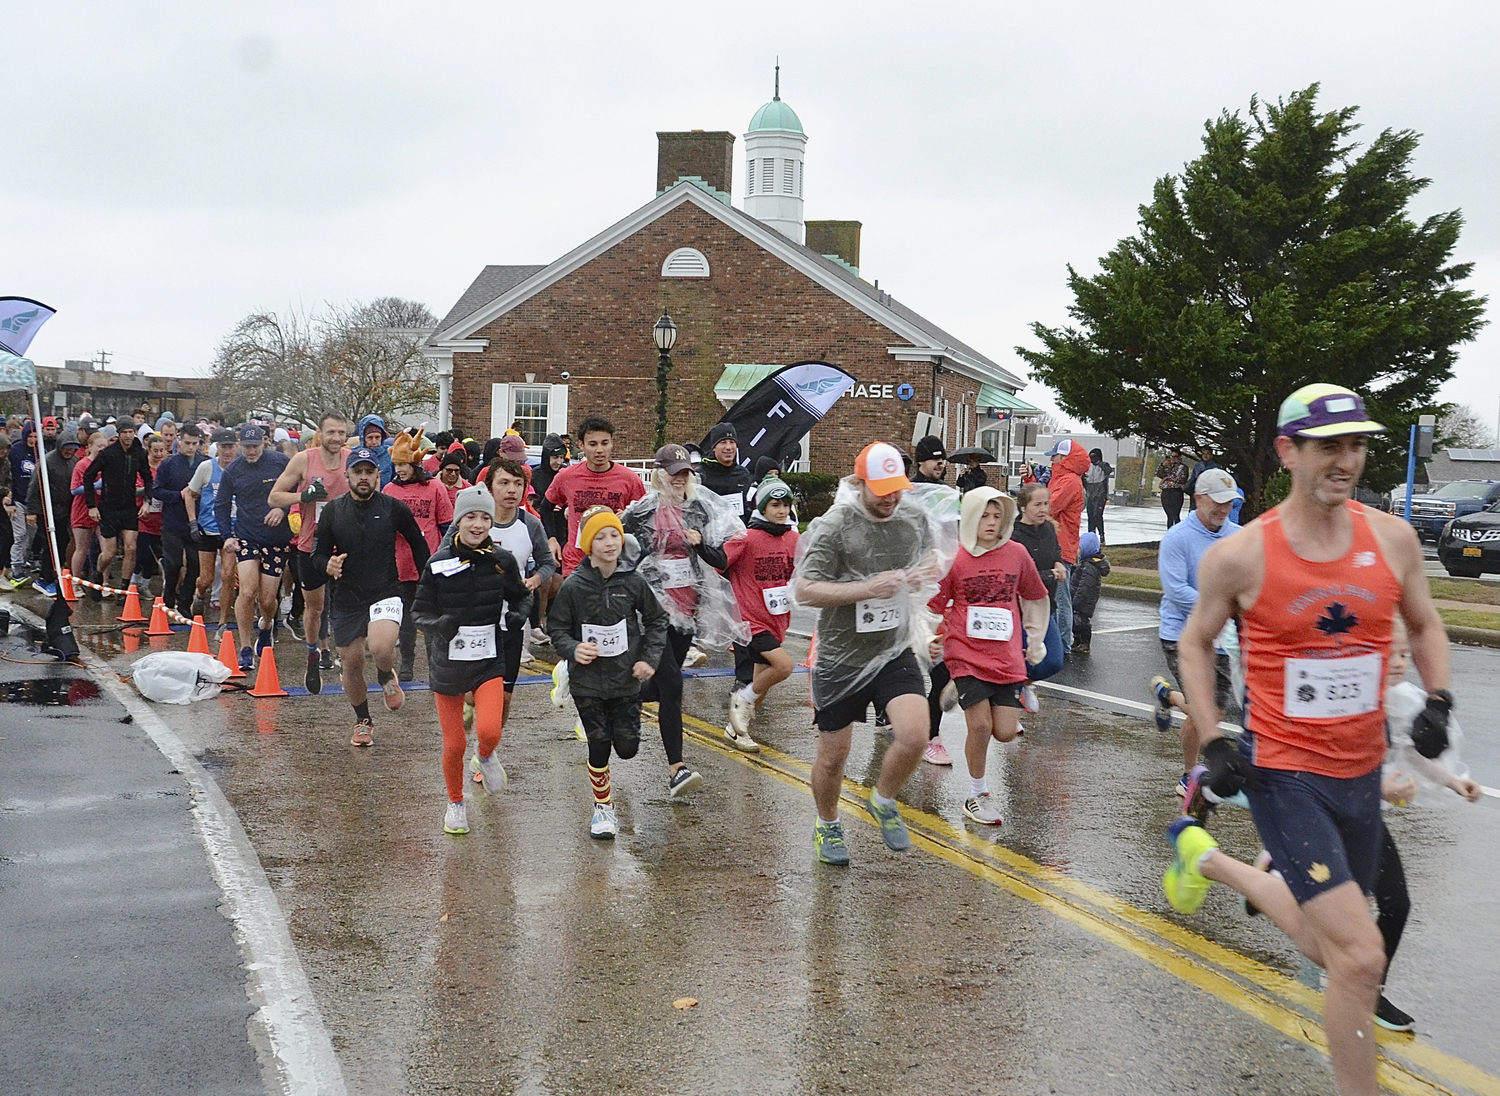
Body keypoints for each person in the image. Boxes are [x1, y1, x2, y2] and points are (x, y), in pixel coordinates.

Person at [1162, 384, 1451, 1096]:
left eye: (1356, 444)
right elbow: (1196, 645)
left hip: (1360, 776)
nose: (1346, 460)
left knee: (1334, 948)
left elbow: (1426, 624)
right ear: (1289, 451)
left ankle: (1210, 863)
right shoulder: (1242, 555)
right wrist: (1214, 737)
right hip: (1287, 776)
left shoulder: (1392, 539)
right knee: (1358, 958)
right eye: (1330, 446)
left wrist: (1439, 701)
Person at [793, 441, 945, 866]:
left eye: (896, 487)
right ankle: (827, 824)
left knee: (916, 734)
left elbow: (932, 555)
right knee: (834, 757)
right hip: (841, 657)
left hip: (892, 650)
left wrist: (921, 573)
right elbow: (804, 591)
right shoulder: (835, 526)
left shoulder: (913, 517)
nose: (891, 498)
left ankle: (883, 798)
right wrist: (868, 588)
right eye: (881, 490)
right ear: (860, 483)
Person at [621, 443, 744, 789]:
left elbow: (721, 552)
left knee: (660, 689)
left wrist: (700, 542)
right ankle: (677, 769)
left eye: (685, 473)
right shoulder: (643, 510)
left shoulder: (700, 509)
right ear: (660, 475)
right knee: (673, 684)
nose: (680, 480)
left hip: (687, 609)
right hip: (652, 612)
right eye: (674, 474)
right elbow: (617, 541)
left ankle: (612, 697)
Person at [927, 487, 1050, 825]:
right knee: (980, 727)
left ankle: (1001, 689)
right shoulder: (956, 559)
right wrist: (928, 637)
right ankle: (976, 795)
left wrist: (1036, 643)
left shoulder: (1017, 553)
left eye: (998, 516)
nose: (992, 522)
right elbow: (932, 605)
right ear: (970, 517)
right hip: (965, 652)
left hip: (1007, 657)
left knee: (1006, 733)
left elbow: (1036, 598)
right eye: (985, 515)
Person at [545, 505, 669, 839]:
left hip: (625, 678)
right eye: (600, 537)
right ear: (588, 544)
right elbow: (556, 628)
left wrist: (648, 659)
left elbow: (657, 620)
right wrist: (573, 649)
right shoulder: (574, 586)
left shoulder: (633, 581)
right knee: (598, 744)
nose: (610, 542)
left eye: (614, 534)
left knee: (627, 748)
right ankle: (603, 809)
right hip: (587, 681)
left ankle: (616, 741)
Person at [412, 485, 528, 835]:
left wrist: (517, 617)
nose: (478, 524)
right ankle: (455, 803)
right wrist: (440, 625)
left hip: (488, 659)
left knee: (489, 729)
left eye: (484, 517)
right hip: (448, 664)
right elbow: (419, 612)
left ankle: (488, 756)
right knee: (454, 744)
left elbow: (522, 598)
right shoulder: (439, 562)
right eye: (471, 517)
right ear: (459, 520)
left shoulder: (501, 561)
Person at [311, 447, 432, 746]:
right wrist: (327, 564)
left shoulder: (393, 508)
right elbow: (318, 553)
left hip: (385, 591)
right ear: (347, 475)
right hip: (347, 597)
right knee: (351, 664)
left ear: (379, 475)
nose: (363, 477)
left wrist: (429, 586)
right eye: (357, 472)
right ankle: (363, 720)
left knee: (380, 646)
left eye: (369, 472)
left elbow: (419, 546)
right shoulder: (333, 510)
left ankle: (384, 674)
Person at [1148, 467, 1242, 793]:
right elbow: (1176, 591)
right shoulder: (1177, 538)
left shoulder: (1238, 537)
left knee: (1212, 712)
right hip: (1182, 635)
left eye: (1228, 502)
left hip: (1224, 638)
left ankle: (1167, 696)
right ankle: (1189, 774)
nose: (1222, 509)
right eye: (1216, 501)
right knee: (1205, 713)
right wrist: (1223, 608)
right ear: (1198, 498)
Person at [268, 413, 350, 693]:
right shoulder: (304, 459)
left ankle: (346, 657)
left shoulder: (353, 460)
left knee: (348, 606)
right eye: (331, 433)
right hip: (312, 545)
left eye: (341, 433)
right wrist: (302, 497)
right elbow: (274, 497)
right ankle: (313, 653)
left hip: (346, 546)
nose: (337, 438)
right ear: (319, 433)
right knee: (315, 608)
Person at [720, 476, 799, 751]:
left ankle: (736, 730)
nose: (781, 510)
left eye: (786, 505)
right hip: (748, 621)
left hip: (776, 620)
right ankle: (741, 700)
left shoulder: (793, 538)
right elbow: (718, 563)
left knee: (762, 682)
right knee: (784, 666)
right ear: (762, 507)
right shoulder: (747, 538)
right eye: (775, 504)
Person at [475, 457, 555, 728]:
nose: (511, 490)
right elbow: (443, 557)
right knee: (474, 693)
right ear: (489, 488)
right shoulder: (474, 521)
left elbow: (547, 563)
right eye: (504, 483)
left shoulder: (530, 524)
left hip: (511, 620)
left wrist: (534, 581)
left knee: (504, 695)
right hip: (474, 619)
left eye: (518, 484)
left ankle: (488, 752)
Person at [215, 424, 293, 671]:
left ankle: (266, 626)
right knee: (247, 591)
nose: (251, 452)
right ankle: (245, 647)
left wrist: (283, 509)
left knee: (268, 600)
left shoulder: (280, 463)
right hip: (247, 536)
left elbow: (298, 492)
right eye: (247, 447)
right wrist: (227, 536)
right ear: (240, 446)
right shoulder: (233, 470)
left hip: (277, 539)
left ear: (264, 443)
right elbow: (222, 505)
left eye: (255, 446)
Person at [382, 429, 454, 681]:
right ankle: (407, 664)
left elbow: (446, 525)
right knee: (407, 618)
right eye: (396, 465)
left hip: (428, 563)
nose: (399, 469)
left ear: (414, 463)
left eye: (403, 464)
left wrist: (444, 558)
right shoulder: (389, 490)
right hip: (400, 565)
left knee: (430, 617)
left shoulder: (435, 487)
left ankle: (435, 663)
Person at [543, 416, 645, 575]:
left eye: (605, 443)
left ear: (612, 443)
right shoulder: (566, 476)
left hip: (615, 563)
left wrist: (627, 517)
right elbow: (545, 507)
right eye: (593, 444)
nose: (599, 450)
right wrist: (551, 539)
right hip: (575, 564)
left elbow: (644, 520)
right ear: (581, 445)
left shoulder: (630, 479)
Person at [85, 420, 151, 594]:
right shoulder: (108, 453)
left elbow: (148, 478)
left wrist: (147, 501)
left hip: (129, 507)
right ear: (119, 433)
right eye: (125, 432)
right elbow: (88, 476)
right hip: (109, 507)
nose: (128, 436)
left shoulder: (139, 453)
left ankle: (125, 589)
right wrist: (92, 506)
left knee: (131, 547)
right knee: (109, 553)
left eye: (131, 432)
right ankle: (97, 573)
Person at [185, 428, 240, 635]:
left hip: (232, 531)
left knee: (227, 575)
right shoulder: (207, 467)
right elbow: (189, 494)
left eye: (231, 447)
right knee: (206, 578)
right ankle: (199, 595)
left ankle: (222, 623)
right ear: (217, 448)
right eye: (223, 447)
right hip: (208, 528)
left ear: (236, 447)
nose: (227, 451)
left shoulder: (240, 468)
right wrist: (192, 522)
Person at [152, 423, 206, 618]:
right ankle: (168, 598)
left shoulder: (204, 463)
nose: (191, 447)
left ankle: (185, 602)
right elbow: (156, 491)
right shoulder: (168, 464)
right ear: (179, 442)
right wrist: (179, 496)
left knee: (195, 564)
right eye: (187, 443)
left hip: (197, 522)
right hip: (173, 522)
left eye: (195, 443)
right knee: (174, 564)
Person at [1043, 439, 1088, 657]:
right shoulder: (1062, 479)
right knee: (1053, 598)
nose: (1051, 459)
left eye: (1055, 456)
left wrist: (1034, 494)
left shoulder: (1069, 481)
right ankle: (1057, 643)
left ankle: (1063, 645)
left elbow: (1049, 507)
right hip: (1057, 545)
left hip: (1062, 547)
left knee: (1061, 600)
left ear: (1065, 459)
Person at [25, 427, 79, 589]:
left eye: (72, 448)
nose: (69, 451)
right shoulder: (47, 461)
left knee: (62, 542)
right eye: (66, 447)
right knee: (49, 545)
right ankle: (44, 577)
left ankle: (55, 573)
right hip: (46, 510)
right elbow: (34, 487)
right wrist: (32, 511)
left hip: (64, 511)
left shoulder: (74, 461)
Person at [529, 432, 570, 643]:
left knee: (560, 583)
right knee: (545, 581)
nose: (558, 462)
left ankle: (554, 623)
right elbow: (538, 508)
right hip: (541, 534)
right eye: (554, 457)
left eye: (561, 458)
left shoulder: (565, 476)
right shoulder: (536, 476)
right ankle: (538, 624)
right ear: (546, 456)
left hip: (563, 533)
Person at [69, 432, 107, 587]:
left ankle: (104, 583)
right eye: (99, 446)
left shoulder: (107, 464)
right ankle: (75, 583)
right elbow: (74, 489)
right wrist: (94, 485)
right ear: (90, 447)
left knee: (107, 550)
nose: (102, 449)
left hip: (102, 510)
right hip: (82, 510)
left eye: (105, 446)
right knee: (82, 549)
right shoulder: (82, 465)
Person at [698, 422, 754, 520]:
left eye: (732, 442)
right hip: (711, 532)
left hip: (739, 532)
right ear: (714, 448)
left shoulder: (743, 474)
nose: (728, 447)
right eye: (723, 442)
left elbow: (746, 508)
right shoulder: (701, 475)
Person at [7, 422, 41, 585]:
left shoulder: (41, 452)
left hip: (33, 500)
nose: (32, 440)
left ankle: (23, 560)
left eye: (35, 436)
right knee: (19, 534)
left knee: (31, 533)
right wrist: (11, 500)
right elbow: (10, 476)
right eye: (30, 436)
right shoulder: (15, 451)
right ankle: (16, 567)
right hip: (18, 499)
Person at [1069, 531, 1110, 655]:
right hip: (1080, 597)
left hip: (1085, 599)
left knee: (1082, 621)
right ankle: (1077, 641)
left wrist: (1077, 599)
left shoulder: (1089, 567)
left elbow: (1086, 585)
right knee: (1075, 620)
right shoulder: (1084, 564)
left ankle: (1085, 642)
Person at [354, 414, 396, 486]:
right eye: (370, 438)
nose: (374, 442)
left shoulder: (390, 453)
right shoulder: (354, 454)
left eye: (377, 437)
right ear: (363, 438)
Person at [1084, 447, 1112, 540]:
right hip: (1090, 494)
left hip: (1100, 494)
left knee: (1097, 515)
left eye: (1094, 457)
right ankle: (1091, 536)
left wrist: (1099, 463)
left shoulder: (1103, 465)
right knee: (1090, 516)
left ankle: (1101, 534)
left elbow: (1109, 471)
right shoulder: (1087, 466)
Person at [1158, 451, 1188, 528]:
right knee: (1169, 515)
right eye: (1172, 457)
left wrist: (1167, 478)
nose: (1173, 459)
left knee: (1175, 514)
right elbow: (1159, 474)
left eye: (1175, 457)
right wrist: (1163, 466)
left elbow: (1181, 479)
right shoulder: (1167, 466)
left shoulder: (1182, 467)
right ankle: (1169, 532)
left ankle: (1177, 532)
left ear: (1179, 457)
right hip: (1166, 491)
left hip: (1176, 491)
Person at [1186, 445, 1220, 511]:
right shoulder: (1198, 466)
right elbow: (1193, 478)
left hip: (1210, 493)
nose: (1205, 456)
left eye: (1207, 454)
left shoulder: (1216, 467)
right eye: (1204, 454)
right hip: (1197, 492)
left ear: (1211, 455)